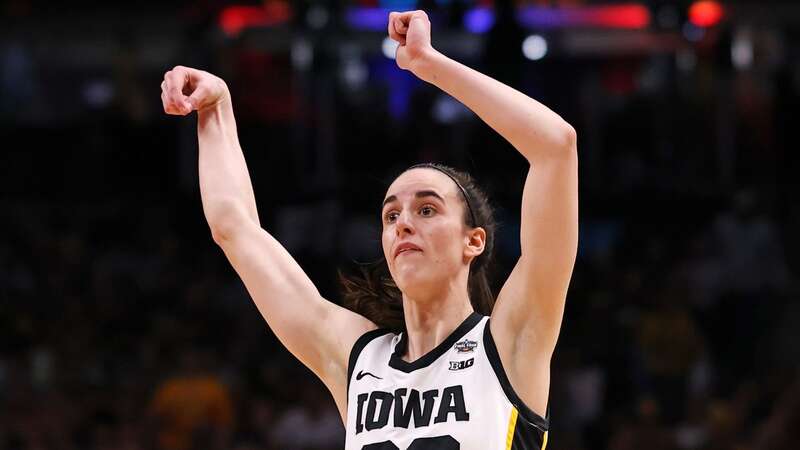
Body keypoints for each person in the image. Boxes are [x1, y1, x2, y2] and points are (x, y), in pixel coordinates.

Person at [160, 10, 578, 450]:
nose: (404, 224)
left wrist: (428, 64)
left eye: (428, 209)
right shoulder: (359, 358)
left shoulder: (510, 343)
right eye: (391, 216)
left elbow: (556, 147)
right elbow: (235, 228)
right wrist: (216, 109)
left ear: (473, 241)